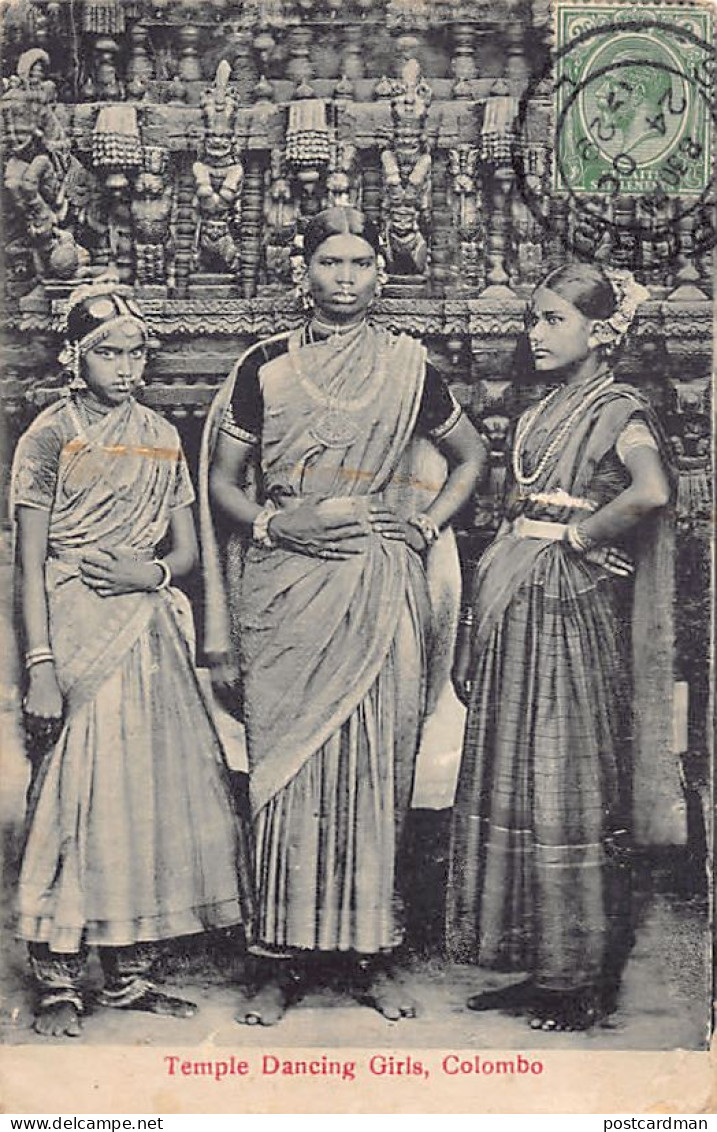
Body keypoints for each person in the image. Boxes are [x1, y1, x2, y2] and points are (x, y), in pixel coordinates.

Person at [201, 205, 487, 1025]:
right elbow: (223, 481)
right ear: (306, 272)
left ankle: (372, 954)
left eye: (361, 263)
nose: (347, 277)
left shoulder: (409, 365)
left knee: (372, 773)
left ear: (379, 275)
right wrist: (270, 522)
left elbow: (470, 455)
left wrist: (427, 521)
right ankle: (275, 960)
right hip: (285, 586)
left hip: (380, 584)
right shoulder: (263, 364)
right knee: (284, 779)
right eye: (332, 262)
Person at [12, 278, 254, 1038]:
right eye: (107, 353)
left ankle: (129, 972)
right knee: (74, 791)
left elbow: (182, 551)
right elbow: (26, 563)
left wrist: (144, 574)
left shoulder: (157, 432)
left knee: (142, 794)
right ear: (74, 356)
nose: (125, 366)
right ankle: (56, 975)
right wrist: (41, 664)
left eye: (136, 352)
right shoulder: (49, 434)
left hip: (147, 627)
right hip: (74, 624)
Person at [448, 263, 686, 1032]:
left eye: (552, 320)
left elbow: (649, 491)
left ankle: (579, 981)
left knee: (564, 777)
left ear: (601, 331)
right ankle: (539, 967)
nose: (535, 334)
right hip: (520, 598)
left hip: (568, 608)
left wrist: (581, 537)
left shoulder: (619, 408)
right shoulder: (540, 409)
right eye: (532, 320)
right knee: (517, 772)